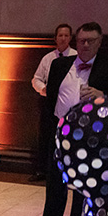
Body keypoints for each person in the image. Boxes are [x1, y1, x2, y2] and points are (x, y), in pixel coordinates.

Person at [29, 21, 108, 216]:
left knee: (83, 183)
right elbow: (51, 100)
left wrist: (102, 94)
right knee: (55, 180)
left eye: (90, 41)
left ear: (99, 42)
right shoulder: (59, 65)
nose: (85, 45)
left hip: (91, 135)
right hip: (60, 131)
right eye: (82, 41)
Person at [30, 23, 75, 182]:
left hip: (69, 106)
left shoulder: (76, 56)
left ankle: (67, 172)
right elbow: (36, 79)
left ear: (70, 37)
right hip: (49, 103)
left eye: (66, 35)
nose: (63, 38)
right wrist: (44, 90)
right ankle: (43, 170)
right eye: (60, 35)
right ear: (55, 38)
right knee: (46, 137)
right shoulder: (48, 58)